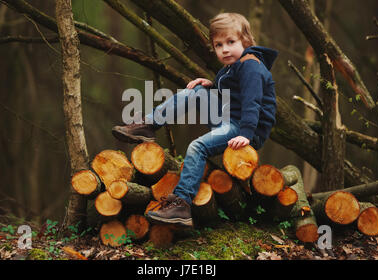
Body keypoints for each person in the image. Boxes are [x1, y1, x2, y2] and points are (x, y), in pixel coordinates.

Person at [112, 12, 278, 227]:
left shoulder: (251, 67)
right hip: (232, 118)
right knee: (195, 91)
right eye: (218, 45)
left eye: (231, 42)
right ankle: (149, 125)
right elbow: (234, 94)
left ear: (245, 41)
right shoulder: (235, 66)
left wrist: (246, 134)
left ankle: (181, 205)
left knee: (197, 147)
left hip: (245, 129)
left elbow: (251, 102)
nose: (224, 49)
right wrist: (212, 85)